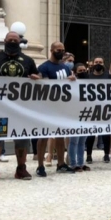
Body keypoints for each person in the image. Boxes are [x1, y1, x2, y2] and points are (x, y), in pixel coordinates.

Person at [0, 31, 41, 181]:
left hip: (21, 107)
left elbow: (38, 78)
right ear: (4, 41)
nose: (12, 42)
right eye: (10, 40)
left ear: (19, 42)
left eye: (15, 40)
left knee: (22, 137)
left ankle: (21, 168)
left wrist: (37, 78)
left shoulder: (28, 60)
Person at [36, 41, 76, 176]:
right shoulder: (44, 67)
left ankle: (61, 163)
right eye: (58, 50)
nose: (61, 52)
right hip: (47, 107)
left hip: (62, 106)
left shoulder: (65, 68)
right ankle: (40, 165)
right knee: (44, 136)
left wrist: (72, 80)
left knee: (60, 135)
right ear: (51, 50)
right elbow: (43, 85)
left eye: (63, 50)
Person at [84, 56, 111, 163]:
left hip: (105, 109)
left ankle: (106, 154)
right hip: (91, 108)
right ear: (93, 64)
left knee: (106, 134)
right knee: (90, 134)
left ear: (104, 63)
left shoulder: (108, 76)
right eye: (96, 62)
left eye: (100, 62)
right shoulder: (87, 77)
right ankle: (89, 154)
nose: (98, 63)